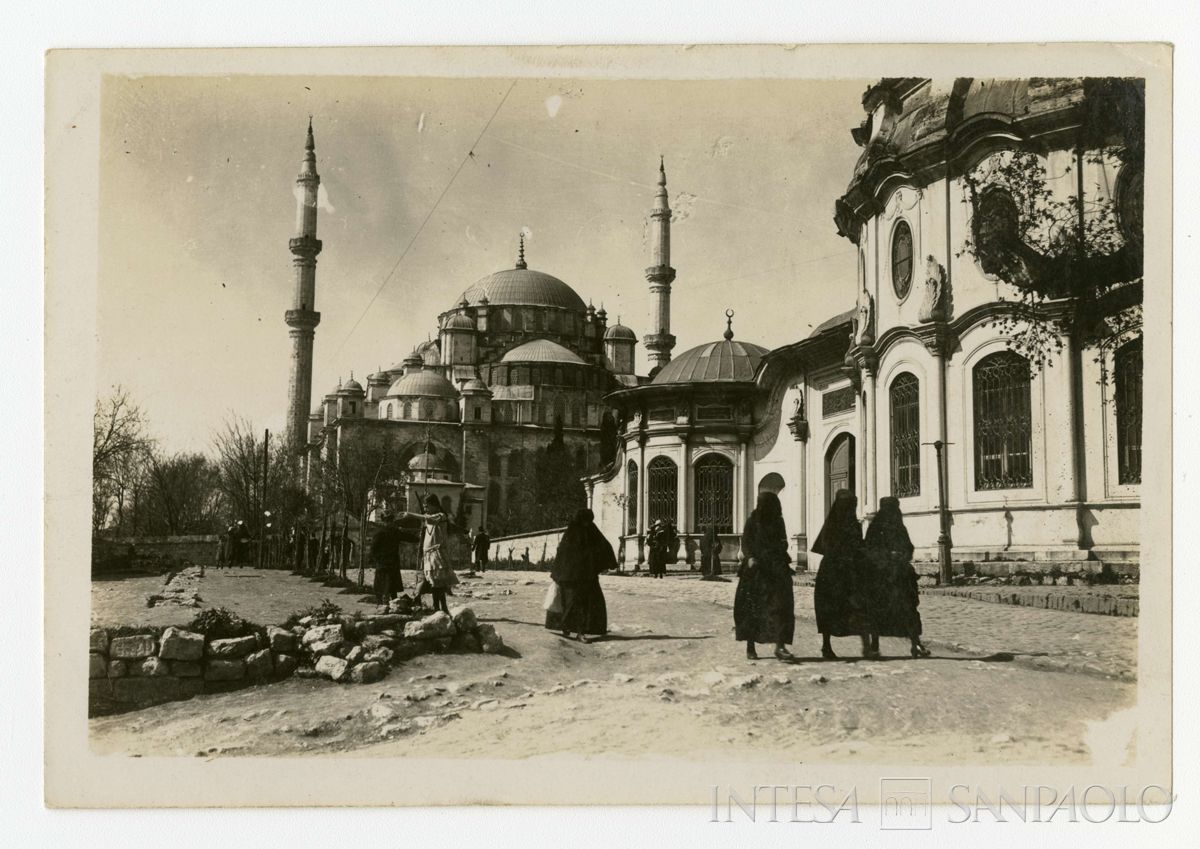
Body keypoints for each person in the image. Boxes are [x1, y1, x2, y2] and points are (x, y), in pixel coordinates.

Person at [811, 489, 876, 659]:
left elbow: (858, 545)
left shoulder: (854, 524)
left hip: (851, 571)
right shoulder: (832, 525)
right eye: (850, 506)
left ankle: (866, 646)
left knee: (859, 607)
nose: (852, 509)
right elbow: (828, 546)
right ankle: (826, 646)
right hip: (833, 573)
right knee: (830, 609)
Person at [864, 497, 930, 658]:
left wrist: (901, 555)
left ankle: (915, 644)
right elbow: (869, 550)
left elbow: (909, 548)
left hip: (897, 575)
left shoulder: (896, 528)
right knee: (896, 609)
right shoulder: (876, 530)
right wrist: (888, 555)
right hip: (883, 575)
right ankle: (876, 644)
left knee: (905, 609)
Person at [733, 491, 795, 661]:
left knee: (781, 607)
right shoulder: (753, 520)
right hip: (756, 571)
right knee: (753, 608)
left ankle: (780, 646)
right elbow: (746, 541)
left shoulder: (778, 520)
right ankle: (750, 646)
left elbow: (783, 540)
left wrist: (781, 550)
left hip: (775, 568)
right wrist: (751, 556)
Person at [546, 508, 615, 641]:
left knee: (585, 605)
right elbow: (563, 553)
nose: (587, 523)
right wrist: (558, 574)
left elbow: (604, 545)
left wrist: (607, 562)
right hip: (570, 577)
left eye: (589, 521)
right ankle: (566, 627)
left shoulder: (591, 530)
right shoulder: (572, 531)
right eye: (585, 520)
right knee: (569, 604)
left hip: (587, 576)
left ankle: (580, 632)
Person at [404, 495, 459, 614]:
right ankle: (439, 607)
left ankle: (440, 607)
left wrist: (410, 514)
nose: (425, 508)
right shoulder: (429, 518)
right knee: (435, 583)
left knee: (438, 583)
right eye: (424, 506)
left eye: (427, 506)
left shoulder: (441, 515)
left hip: (436, 553)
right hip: (429, 554)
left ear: (435, 505)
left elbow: (430, 519)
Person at [369, 513, 404, 605]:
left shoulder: (395, 532)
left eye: (390, 521)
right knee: (381, 587)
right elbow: (373, 548)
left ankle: (393, 606)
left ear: (393, 521)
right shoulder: (379, 533)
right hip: (383, 564)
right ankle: (380, 605)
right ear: (383, 521)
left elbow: (409, 537)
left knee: (392, 588)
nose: (389, 523)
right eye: (387, 521)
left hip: (392, 564)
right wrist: (377, 560)